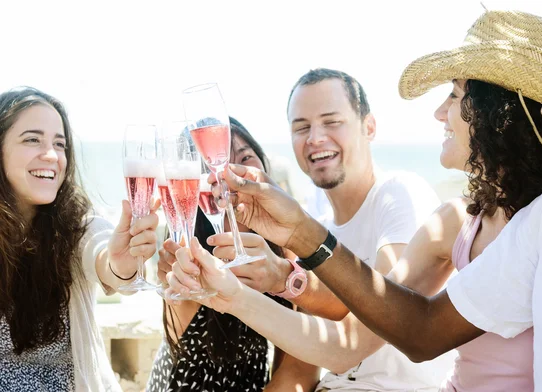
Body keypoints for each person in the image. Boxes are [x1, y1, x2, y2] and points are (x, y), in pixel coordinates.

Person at [172, 7, 542, 391]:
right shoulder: (477, 220)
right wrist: (258, 280)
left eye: (454, 93)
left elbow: (401, 332)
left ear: (498, 113)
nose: (438, 112)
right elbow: (355, 340)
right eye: (300, 126)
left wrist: (291, 260)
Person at [169, 69, 456, 391]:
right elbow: (312, 347)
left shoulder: (399, 194)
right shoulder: (317, 228)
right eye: (302, 127)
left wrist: (279, 278)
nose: (315, 137)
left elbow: (360, 332)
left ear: (369, 127)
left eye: (332, 121)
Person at [0, 87, 160, 391]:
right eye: (32, 139)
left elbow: (102, 255)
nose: (51, 155)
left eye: (59, 144)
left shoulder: (75, 225)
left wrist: (120, 263)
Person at [147, 117, 320, 392]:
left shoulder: (284, 250)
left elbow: (299, 366)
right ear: (194, 181)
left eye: (246, 156)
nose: (232, 172)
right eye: (214, 164)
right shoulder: (189, 256)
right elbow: (173, 284)